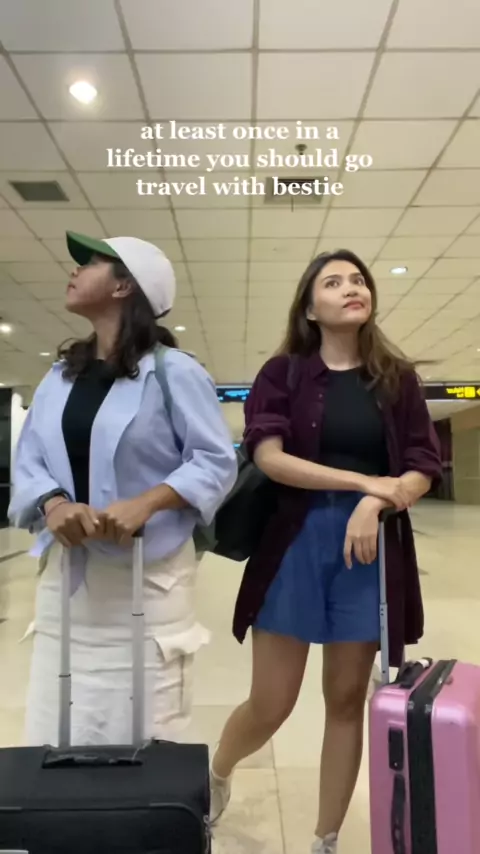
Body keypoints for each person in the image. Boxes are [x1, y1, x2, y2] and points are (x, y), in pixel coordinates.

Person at [209, 249, 442, 854]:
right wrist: (368, 485)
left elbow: (422, 465)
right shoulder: (283, 374)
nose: (351, 288)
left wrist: (377, 504)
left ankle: (325, 839)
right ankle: (218, 772)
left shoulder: (396, 377)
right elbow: (269, 457)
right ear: (310, 309)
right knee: (271, 703)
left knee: (344, 699)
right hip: (295, 542)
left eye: (358, 279)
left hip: (369, 551)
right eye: (333, 282)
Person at [9, 230, 237, 746]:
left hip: (147, 585)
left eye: (90, 263)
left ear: (124, 286)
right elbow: (31, 460)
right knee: (56, 727)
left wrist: (148, 502)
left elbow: (215, 460)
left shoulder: (174, 373)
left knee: (144, 731)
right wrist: (53, 503)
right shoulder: (59, 378)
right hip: (68, 586)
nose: (74, 270)